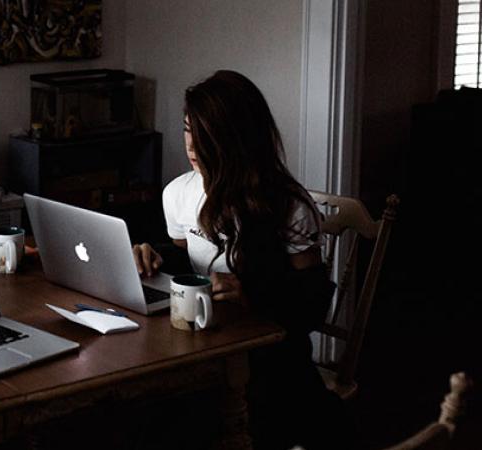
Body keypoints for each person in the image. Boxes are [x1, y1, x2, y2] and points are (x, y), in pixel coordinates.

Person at [132, 70, 351, 450]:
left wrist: (251, 293)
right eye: (188, 129)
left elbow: (312, 304)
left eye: (206, 134)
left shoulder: (290, 207)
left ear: (237, 138)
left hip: (269, 362)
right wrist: (153, 255)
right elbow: (188, 261)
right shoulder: (178, 194)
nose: (193, 146)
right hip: (203, 348)